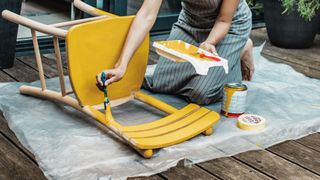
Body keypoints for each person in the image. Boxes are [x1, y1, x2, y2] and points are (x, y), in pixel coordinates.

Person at [97, 0, 254, 105]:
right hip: (191, 24)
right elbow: (146, 15)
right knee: (160, 83)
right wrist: (121, 65)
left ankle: (241, 48)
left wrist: (210, 42)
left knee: (202, 93)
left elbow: (224, 20)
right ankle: (229, 55)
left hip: (229, 26)